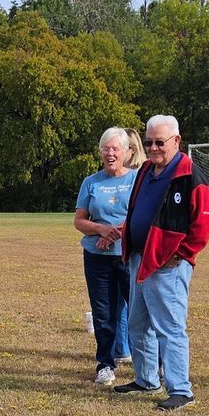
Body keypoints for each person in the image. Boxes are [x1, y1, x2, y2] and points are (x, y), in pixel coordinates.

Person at [115, 114, 209, 411]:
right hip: (139, 259)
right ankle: (146, 379)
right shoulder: (146, 169)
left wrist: (180, 254)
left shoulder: (190, 175)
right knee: (137, 324)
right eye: (149, 142)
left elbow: (204, 226)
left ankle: (181, 389)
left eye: (160, 142)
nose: (154, 147)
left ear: (176, 141)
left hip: (168, 266)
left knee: (169, 328)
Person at [74, 126, 138, 385]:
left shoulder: (136, 179)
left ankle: (148, 364)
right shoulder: (91, 182)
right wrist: (101, 229)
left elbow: (141, 216)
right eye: (106, 149)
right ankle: (105, 364)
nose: (110, 153)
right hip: (96, 256)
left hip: (128, 255)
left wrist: (114, 233)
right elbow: (79, 221)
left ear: (126, 152)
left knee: (137, 311)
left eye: (115, 149)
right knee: (103, 313)